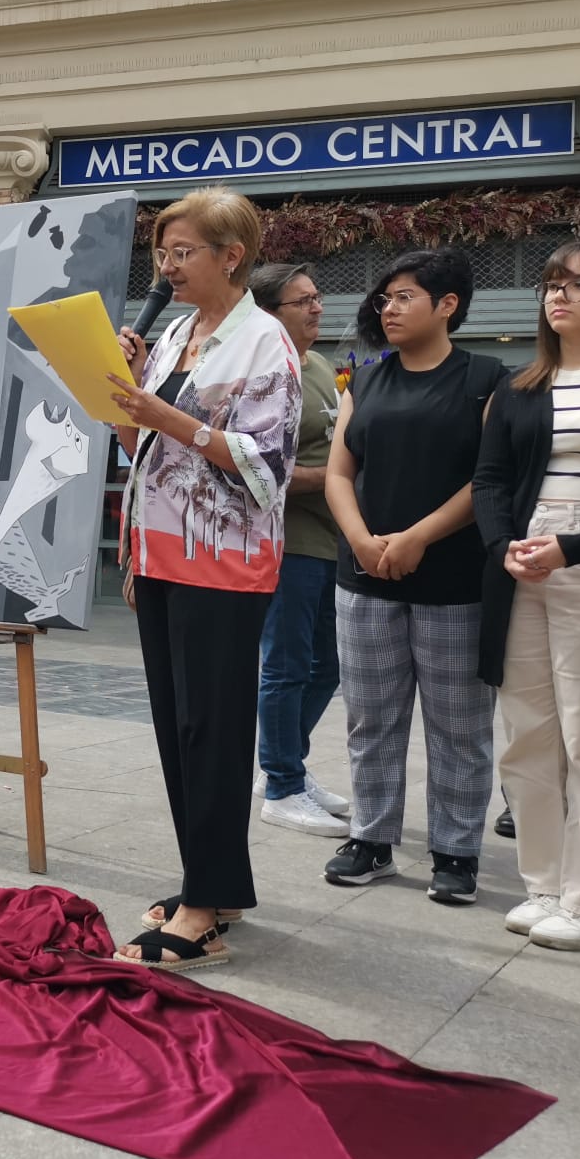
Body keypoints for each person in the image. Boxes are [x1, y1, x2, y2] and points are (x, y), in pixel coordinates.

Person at [107, 186, 301, 971]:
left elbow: (266, 466)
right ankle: (209, 884)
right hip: (161, 553)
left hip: (224, 564)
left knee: (211, 731)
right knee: (177, 728)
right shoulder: (179, 332)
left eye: (182, 252)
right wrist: (120, 391)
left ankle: (204, 911)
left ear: (232, 256)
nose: (167, 267)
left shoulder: (267, 344)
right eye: (161, 253)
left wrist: (165, 417)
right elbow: (140, 450)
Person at [474, 240, 580, 950]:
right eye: (551, 283)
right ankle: (545, 885)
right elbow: (488, 481)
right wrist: (502, 547)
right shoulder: (521, 386)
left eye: (579, 284)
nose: (559, 295)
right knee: (526, 735)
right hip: (522, 571)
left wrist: (570, 549)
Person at [323, 249, 507, 904]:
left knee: (459, 724)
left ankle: (457, 851)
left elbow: (488, 479)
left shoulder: (487, 379)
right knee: (370, 718)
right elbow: (341, 471)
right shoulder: (364, 377)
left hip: (453, 580)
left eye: (403, 296)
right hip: (363, 574)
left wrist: (416, 537)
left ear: (447, 304)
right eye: (384, 298)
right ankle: (370, 838)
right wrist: (360, 539)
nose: (388, 309)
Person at [248, 263, 351, 836]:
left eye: (317, 296)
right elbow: (261, 470)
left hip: (332, 541)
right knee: (285, 666)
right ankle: (283, 785)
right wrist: (340, 477)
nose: (317, 308)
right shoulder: (264, 370)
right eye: (302, 301)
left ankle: (283, 765)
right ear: (268, 312)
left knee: (328, 667)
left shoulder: (317, 367)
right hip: (287, 542)